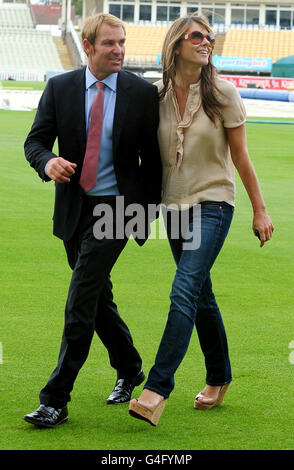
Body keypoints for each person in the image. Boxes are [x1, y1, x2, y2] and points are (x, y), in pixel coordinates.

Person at [129, 14, 274, 426]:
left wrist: (259, 209)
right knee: (201, 295)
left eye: (210, 36)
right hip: (172, 206)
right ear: (176, 44)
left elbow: (241, 157)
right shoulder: (153, 96)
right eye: (197, 35)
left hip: (214, 203)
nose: (207, 41)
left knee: (185, 288)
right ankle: (219, 377)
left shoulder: (224, 93)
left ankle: (157, 389)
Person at [23, 13, 162, 428]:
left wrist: (143, 214)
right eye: (109, 44)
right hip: (74, 210)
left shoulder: (141, 93)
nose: (119, 50)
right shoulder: (61, 88)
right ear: (88, 47)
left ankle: (55, 399)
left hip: (117, 211)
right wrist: (48, 163)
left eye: (122, 42)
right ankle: (130, 367)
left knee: (81, 297)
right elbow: (35, 142)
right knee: (98, 299)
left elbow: (152, 164)